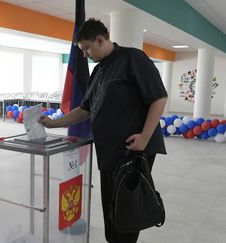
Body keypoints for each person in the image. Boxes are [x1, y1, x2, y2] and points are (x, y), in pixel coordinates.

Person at [39, 18, 167, 243]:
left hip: (133, 149)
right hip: (108, 151)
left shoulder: (133, 58)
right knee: (111, 205)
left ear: (100, 39)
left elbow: (159, 97)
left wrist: (145, 137)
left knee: (127, 209)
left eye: (87, 48)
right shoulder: (98, 71)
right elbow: (84, 109)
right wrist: (53, 123)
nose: (85, 54)